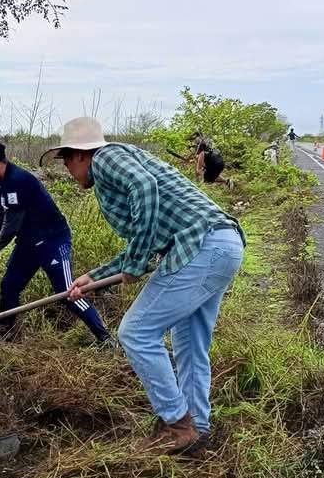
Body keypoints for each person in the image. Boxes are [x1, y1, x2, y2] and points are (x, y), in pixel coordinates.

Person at [45, 117, 246, 455]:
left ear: (80, 154)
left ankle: (177, 424)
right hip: (221, 245)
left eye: (66, 161)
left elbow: (144, 187)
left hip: (201, 247)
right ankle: (197, 429)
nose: (67, 170)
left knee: (136, 332)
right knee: (189, 346)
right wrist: (96, 276)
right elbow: (151, 234)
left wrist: (136, 263)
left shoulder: (105, 157)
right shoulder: (124, 160)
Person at [0, 139, 113, 346]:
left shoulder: (18, 181)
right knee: (9, 285)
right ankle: (5, 330)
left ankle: (105, 338)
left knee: (67, 293)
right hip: (28, 243)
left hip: (52, 241)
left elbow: (12, 225)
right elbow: (3, 215)